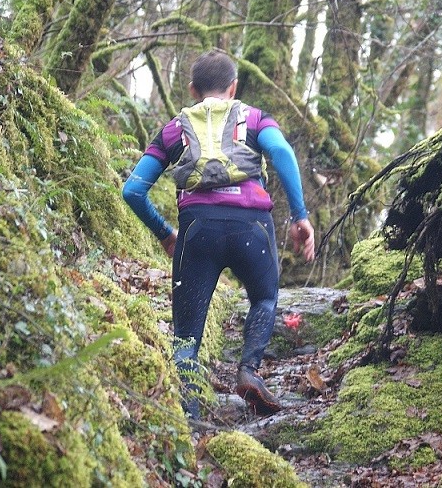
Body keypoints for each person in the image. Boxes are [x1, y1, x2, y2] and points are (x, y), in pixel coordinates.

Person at [122, 50, 315, 419]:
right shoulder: (255, 119)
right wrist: (299, 216)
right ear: (234, 87)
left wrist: (165, 234)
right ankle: (249, 369)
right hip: (252, 228)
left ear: (193, 89)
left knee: (186, 339)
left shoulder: (174, 129)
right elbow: (283, 153)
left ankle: (189, 423)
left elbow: (132, 191)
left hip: (198, 230)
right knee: (264, 298)